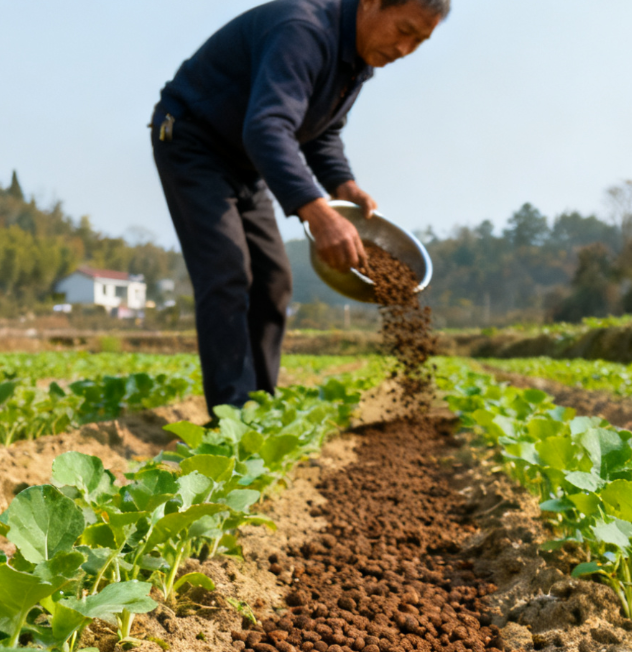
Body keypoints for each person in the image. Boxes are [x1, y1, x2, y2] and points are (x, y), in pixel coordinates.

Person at [151, 0, 448, 412]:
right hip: (194, 141)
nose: (404, 49)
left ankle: (260, 404)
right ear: (371, 4)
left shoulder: (356, 60)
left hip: (245, 160)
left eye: (419, 40)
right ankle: (232, 415)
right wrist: (318, 211)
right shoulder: (303, 31)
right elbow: (268, 127)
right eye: (403, 29)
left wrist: (344, 186)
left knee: (273, 280)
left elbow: (320, 133)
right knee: (227, 272)